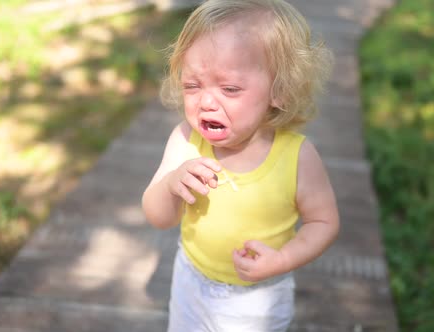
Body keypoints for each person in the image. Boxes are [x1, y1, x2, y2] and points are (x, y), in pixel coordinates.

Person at [142, 0, 339, 330]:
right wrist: (172, 184)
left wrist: (283, 260)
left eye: (229, 88)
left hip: (259, 297)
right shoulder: (186, 141)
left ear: (280, 90)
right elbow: (158, 217)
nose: (206, 101)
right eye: (192, 85)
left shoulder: (297, 157)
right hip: (191, 282)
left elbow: (324, 222)